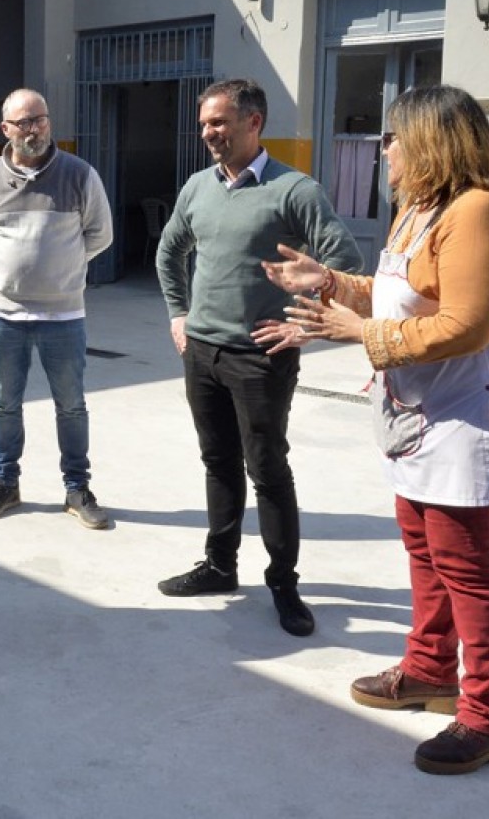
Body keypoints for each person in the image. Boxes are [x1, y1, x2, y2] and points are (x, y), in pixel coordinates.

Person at [255, 84, 489, 773]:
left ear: (432, 142)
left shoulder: (477, 212)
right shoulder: (418, 211)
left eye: (395, 136)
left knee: (470, 568)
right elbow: (399, 292)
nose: (384, 148)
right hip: (420, 416)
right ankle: (430, 669)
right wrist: (332, 282)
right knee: (425, 552)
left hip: (468, 417)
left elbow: (466, 324)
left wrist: (359, 331)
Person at [155, 78, 363, 637]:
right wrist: (180, 315)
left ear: (253, 122)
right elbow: (169, 251)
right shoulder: (198, 188)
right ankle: (220, 566)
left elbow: (343, 264)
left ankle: (284, 584)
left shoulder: (296, 191)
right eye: (203, 124)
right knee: (218, 463)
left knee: (267, 470)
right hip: (202, 353)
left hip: (259, 360)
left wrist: (305, 328)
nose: (208, 134)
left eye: (219, 122)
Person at [0, 88, 113, 529]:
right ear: (5, 129)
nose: (34, 129)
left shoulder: (79, 175)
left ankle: (77, 488)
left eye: (40, 119)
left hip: (64, 317)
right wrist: (16, 272)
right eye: (24, 122)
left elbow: (100, 234)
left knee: (71, 406)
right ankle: (5, 485)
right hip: (3, 315)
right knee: (4, 404)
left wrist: (61, 269)